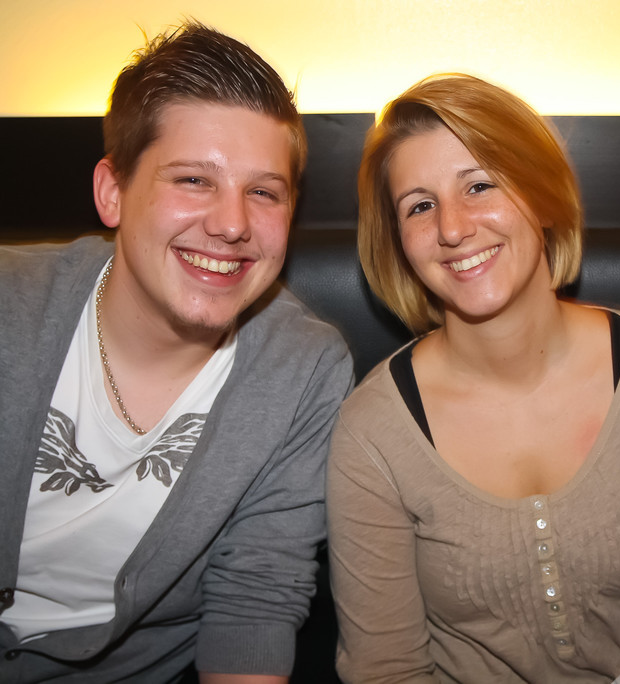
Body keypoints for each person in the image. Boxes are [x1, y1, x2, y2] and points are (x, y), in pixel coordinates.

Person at [327, 73, 620, 681]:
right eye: (420, 206)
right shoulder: (372, 434)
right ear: (398, 242)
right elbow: (386, 668)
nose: (452, 228)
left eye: (480, 185)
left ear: (543, 196)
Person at [0, 22, 353, 681]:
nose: (232, 224)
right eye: (193, 179)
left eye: (263, 192)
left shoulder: (303, 370)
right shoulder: (10, 307)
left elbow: (254, 600)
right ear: (113, 192)